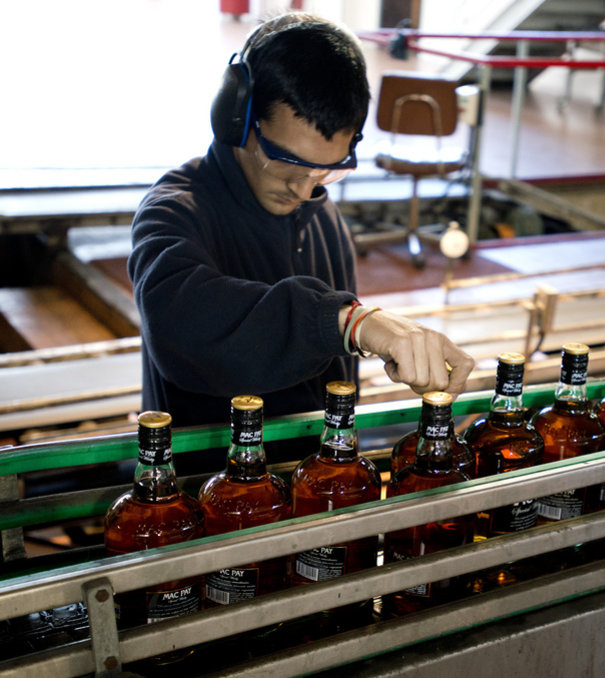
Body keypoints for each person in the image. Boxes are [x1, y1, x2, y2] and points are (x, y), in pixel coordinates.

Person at [127, 12, 474, 467]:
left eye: (325, 169)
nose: (305, 189)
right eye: (288, 165)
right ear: (237, 117)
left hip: (311, 482)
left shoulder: (321, 211)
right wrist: (346, 322)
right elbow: (181, 322)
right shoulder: (174, 211)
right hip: (211, 493)